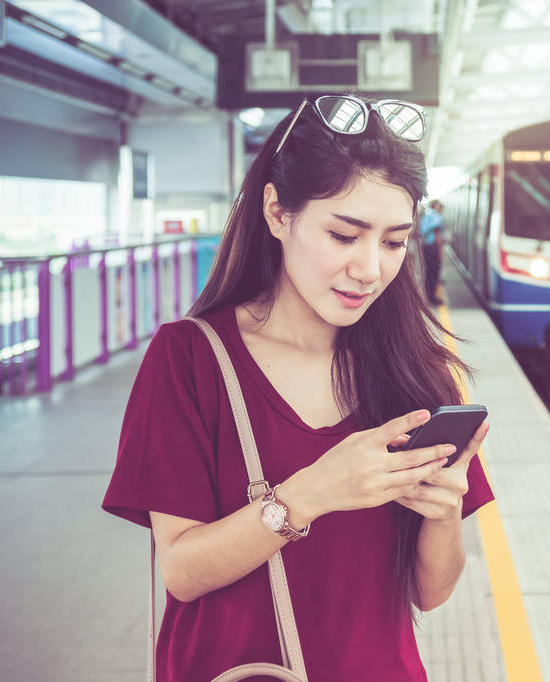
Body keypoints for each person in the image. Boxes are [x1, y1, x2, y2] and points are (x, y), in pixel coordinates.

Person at [102, 95, 494, 681]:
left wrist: (441, 514)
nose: (370, 269)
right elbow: (182, 570)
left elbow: (430, 594)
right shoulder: (190, 358)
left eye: (393, 242)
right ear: (278, 213)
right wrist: (310, 493)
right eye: (344, 235)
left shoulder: (417, 372)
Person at [419, 199, 444, 305]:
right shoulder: (437, 218)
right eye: (441, 207)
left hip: (426, 246)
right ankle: (431, 298)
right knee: (434, 272)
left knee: (428, 272)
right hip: (433, 247)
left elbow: (422, 231)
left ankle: (428, 296)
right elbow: (437, 234)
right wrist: (440, 251)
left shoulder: (427, 216)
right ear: (437, 206)